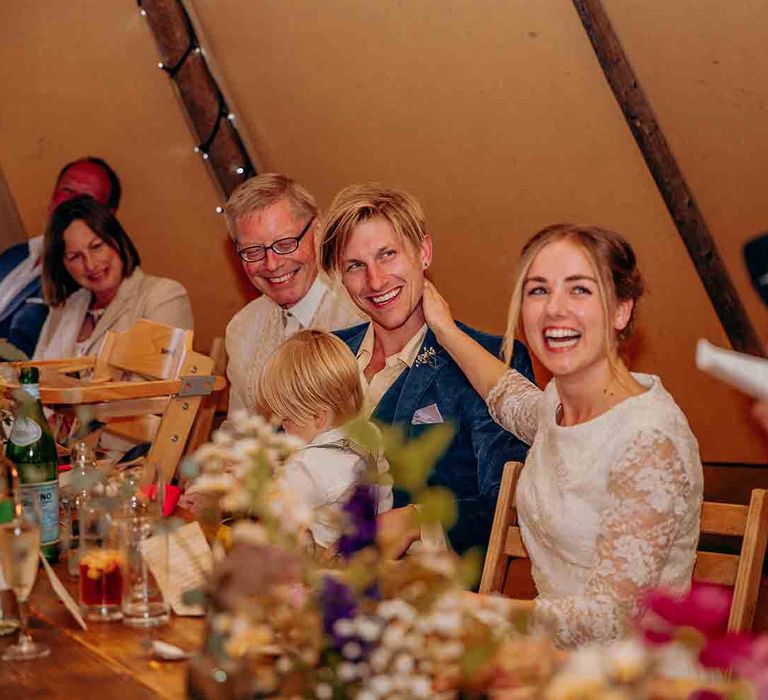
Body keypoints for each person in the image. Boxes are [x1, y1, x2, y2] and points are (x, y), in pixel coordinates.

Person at [422, 223, 704, 647]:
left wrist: (469, 609)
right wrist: (444, 329)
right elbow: (508, 396)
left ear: (622, 309)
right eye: (538, 291)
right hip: (550, 658)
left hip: (628, 675)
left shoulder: (649, 437)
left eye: (579, 290)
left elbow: (610, 620)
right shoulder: (559, 406)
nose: (554, 309)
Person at [318, 184, 533, 555]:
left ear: (424, 252)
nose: (376, 280)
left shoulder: (494, 360)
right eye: (356, 266)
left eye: (388, 255)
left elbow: (510, 507)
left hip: (428, 592)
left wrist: (416, 521)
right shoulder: (326, 353)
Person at [223, 174, 364, 416]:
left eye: (285, 244)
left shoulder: (360, 310)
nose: (272, 264)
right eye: (253, 251)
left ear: (318, 230)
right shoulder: (242, 329)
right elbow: (240, 430)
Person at [257, 329, 393, 550]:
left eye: (288, 418)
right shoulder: (369, 434)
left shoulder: (308, 465)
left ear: (319, 417)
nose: (283, 426)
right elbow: (384, 494)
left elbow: (272, 512)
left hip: (315, 565)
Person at [34, 196, 193, 359]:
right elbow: (35, 375)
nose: (91, 264)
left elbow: (161, 380)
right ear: (63, 265)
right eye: (75, 256)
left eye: (96, 247)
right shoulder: (64, 307)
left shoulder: (163, 296)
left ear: (117, 240)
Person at [0, 157, 121, 359]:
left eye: (85, 200)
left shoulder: (91, 285)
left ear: (106, 217)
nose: (69, 205)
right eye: (66, 192)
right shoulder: (16, 255)